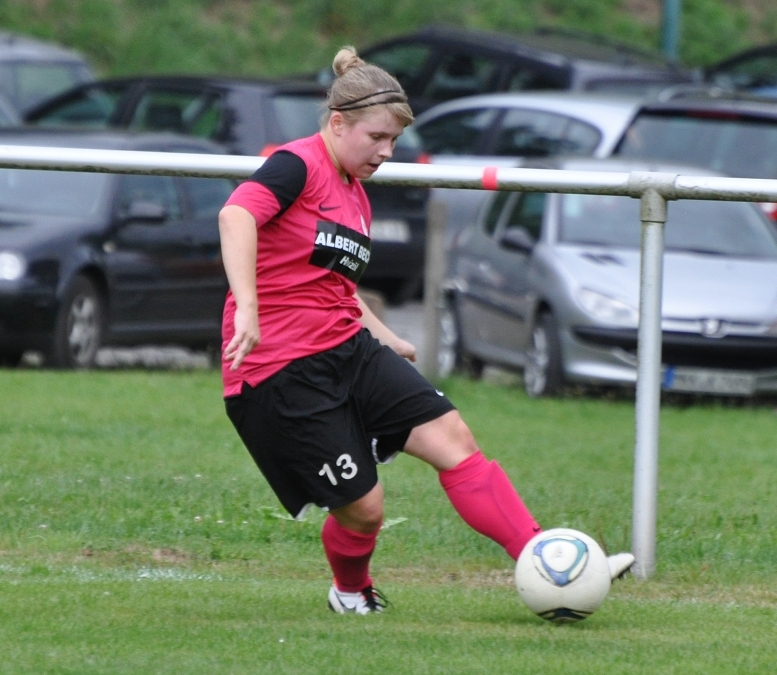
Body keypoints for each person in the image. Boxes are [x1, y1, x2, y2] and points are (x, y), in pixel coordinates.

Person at [219, 46, 631, 615]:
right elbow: (236, 214)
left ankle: (546, 560)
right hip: (280, 369)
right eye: (377, 137)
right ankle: (350, 592)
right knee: (365, 511)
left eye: (393, 140)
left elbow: (333, 286)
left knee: (453, 439)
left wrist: (385, 336)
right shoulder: (297, 165)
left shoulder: (354, 193)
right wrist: (247, 305)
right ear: (337, 124)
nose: (387, 152)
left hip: (347, 348)